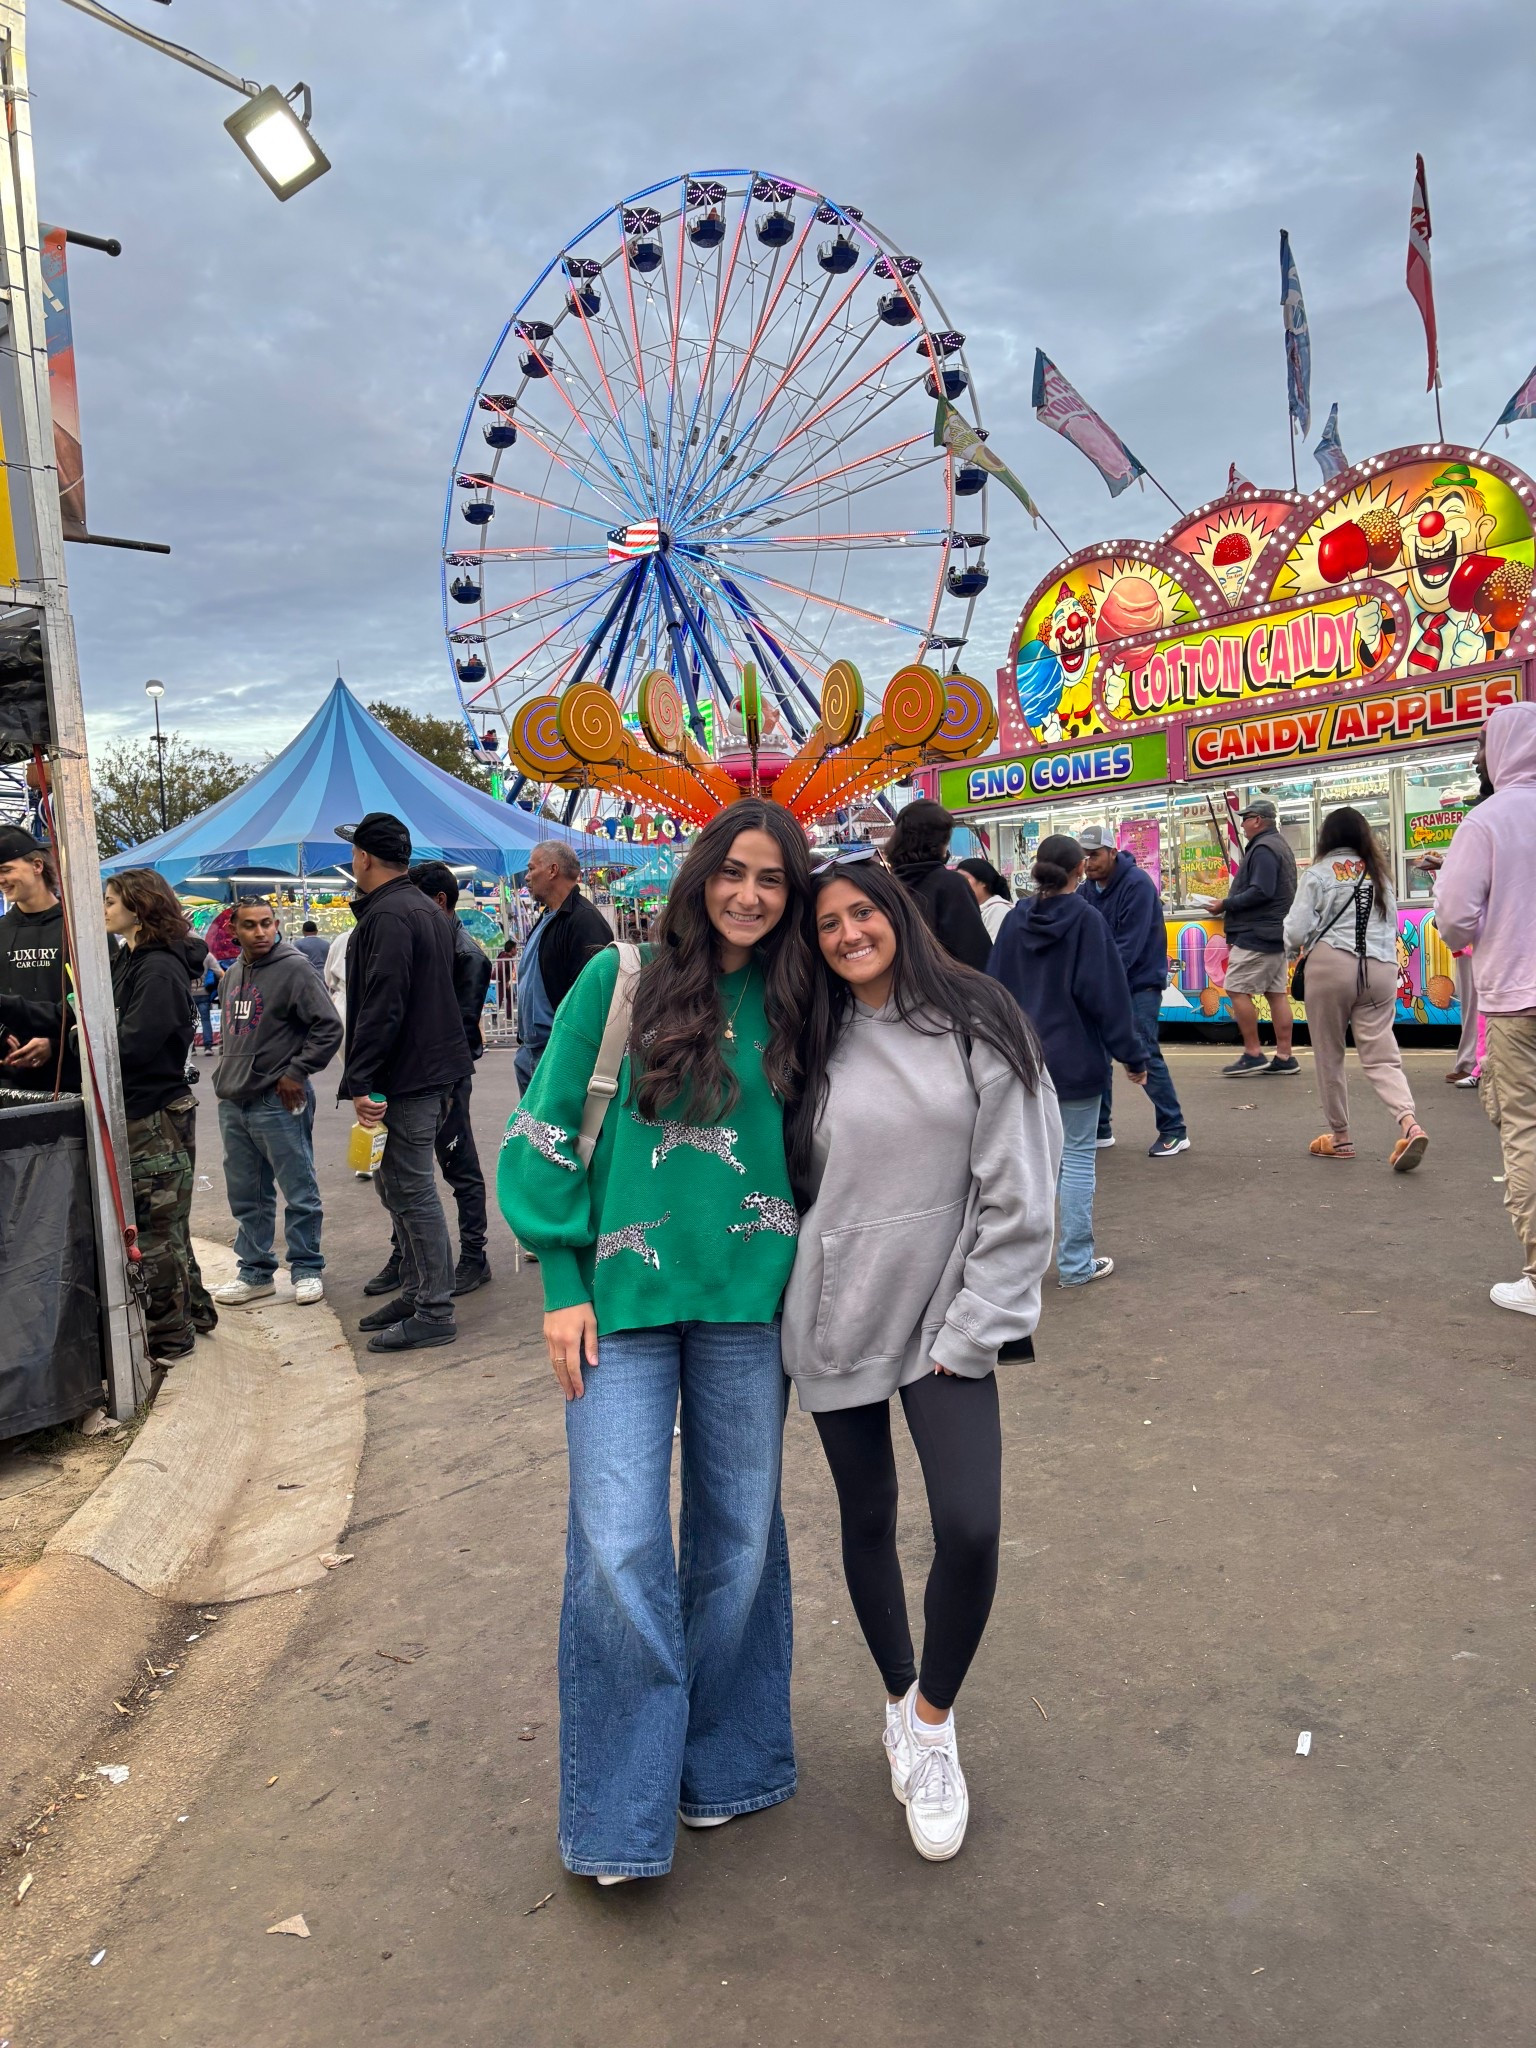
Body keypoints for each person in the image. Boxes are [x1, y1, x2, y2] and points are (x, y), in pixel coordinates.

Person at [498, 798, 813, 1884]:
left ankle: (725, 1761)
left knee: (738, 1538)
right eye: (734, 871)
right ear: (699, 875)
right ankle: (622, 1807)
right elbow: (544, 1123)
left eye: (773, 879)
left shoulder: (802, 993)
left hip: (749, 1303)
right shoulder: (619, 980)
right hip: (615, 1305)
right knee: (619, 1542)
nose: (749, 895)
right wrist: (558, 1276)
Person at [783, 853, 1060, 1862]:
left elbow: (1020, 1189)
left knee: (971, 1525)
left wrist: (976, 1323)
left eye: (863, 911)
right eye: (827, 924)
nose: (848, 933)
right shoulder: (805, 1037)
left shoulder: (977, 1016)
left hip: (947, 1318)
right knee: (866, 1517)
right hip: (836, 1313)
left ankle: (934, 1719)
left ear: (897, 908)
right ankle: (899, 1697)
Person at [336, 812, 471, 1353]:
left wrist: (361, 1078)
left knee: (412, 1192)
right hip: (425, 1072)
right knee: (398, 1187)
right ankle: (418, 1292)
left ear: (364, 857)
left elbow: (383, 1004)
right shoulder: (417, 909)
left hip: (409, 1078)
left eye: (354, 852)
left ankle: (434, 1308)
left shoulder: (392, 914)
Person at [988, 835, 1147, 1286]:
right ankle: (1076, 1264)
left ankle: (1015, 1268)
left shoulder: (1015, 921)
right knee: (1076, 1159)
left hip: (1019, 1061)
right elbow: (1108, 997)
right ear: (1079, 869)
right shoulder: (1087, 920)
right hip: (1076, 1061)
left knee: (1027, 1168)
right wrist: (1132, 1055)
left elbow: (992, 989)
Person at [1435, 701, 1536, 1317]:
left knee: (1524, 1128)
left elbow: (1453, 916)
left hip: (1515, 998)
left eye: (1481, 744)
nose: (1477, 756)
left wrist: (1472, 937)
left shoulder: (1488, 821)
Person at [364, 861, 493, 1299]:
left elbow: (459, 1026)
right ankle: (405, 1257)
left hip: (446, 1078)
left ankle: (474, 1256)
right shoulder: (429, 939)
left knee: (458, 1166)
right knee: (399, 1172)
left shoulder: (466, 953)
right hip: (414, 1077)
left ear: (438, 901)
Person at [209, 896, 343, 1308]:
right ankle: (255, 1271)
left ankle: (306, 1268)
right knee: (247, 1193)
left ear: (277, 923)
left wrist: (295, 1073)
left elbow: (328, 1026)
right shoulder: (233, 974)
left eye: (267, 923)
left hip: (278, 1098)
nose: (261, 932)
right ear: (234, 931)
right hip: (234, 1099)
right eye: (250, 925)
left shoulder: (295, 967)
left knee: (298, 1186)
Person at [1283, 808, 1427, 1170]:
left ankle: (1341, 1137)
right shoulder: (1381, 876)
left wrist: (1287, 952)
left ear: (1326, 837)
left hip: (1330, 966)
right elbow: (1390, 923)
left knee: (1329, 1055)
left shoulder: (1316, 874)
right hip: (1380, 968)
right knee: (1382, 1055)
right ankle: (1410, 1124)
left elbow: (1297, 931)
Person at [103, 870, 206, 1362]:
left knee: (157, 1230)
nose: (102, 909)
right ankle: (197, 1311)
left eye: (109, 900)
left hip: (153, 1115)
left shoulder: (157, 968)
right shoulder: (130, 959)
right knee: (170, 1224)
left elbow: (135, 1045)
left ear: (138, 906)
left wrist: (81, 1046)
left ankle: (172, 1335)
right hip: (149, 1111)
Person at [1078, 825, 1189, 1158]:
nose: (1089, 863)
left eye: (1095, 855)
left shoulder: (1137, 885)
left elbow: (1129, 945)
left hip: (1139, 982)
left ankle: (1174, 1129)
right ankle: (1100, 1129)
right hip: (1106, 981)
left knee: (1142, 1050)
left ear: (1113, 852)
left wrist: (1094, 980)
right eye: (1084, 856)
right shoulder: (1086, 890)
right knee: (1096, 1052)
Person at [1209, 797, 1299, 1077]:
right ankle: (1285, 1055)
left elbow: (1262, 890)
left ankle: (1253, 1052)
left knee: (1236, 988)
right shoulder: (1279, 844)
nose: (1243, 825)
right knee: (1275, 994)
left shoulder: (1262, 849)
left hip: (1257, 932)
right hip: (1276, 932)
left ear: (1258, 820)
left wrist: (1225, 904)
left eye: (1246, 819)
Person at [514, 840, 613, 1091]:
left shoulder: (584, 921)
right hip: (534, 1050)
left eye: (531, 868)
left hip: (557, 1053)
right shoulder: (550, 916)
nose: (527, 877)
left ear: (552, 870)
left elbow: (593, 999)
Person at [0, 826, 78, 1094]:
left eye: (5, 870)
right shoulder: (1, 931)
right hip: (9, 1083)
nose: (1, 880)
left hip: (71, 1083)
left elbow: (103, 1006)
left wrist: (55, 1042)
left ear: (36, 865)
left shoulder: (79, 930)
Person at [885, 800, 992, 970]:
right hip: (946, 989)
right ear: (937, 842)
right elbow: (975, 953)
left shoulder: (885, 886)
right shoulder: (951, 885)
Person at [954, 856, 1014, 943]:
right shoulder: (971, 910)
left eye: (964, 879)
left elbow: (995, 950)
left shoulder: (998, 910)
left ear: (983, 882)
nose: (959, 884)